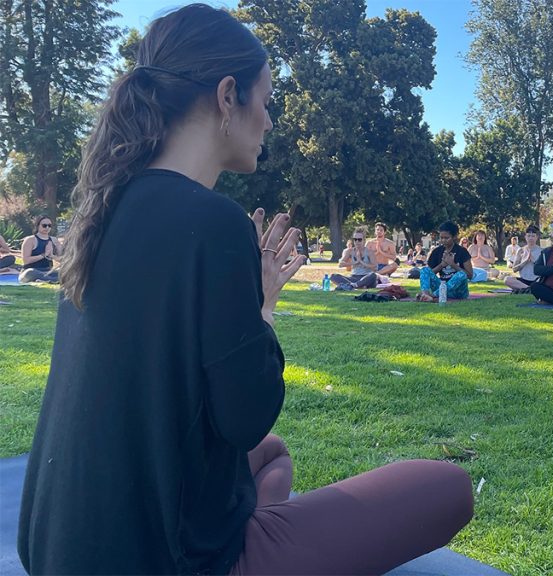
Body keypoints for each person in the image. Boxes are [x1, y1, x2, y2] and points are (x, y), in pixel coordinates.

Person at [17, 6, 472, 575]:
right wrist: (263, 308)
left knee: (274, 458)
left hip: (56, 547)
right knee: (447, 486)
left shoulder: (99, 212)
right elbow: (246, 416)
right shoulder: (215, 221)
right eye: (267, 101)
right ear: (227, 95)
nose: (272, 121)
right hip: (167, 560)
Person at [418, 221, 473, 302]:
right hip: (441, 285)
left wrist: (453, 264)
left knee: (461, 274)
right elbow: (429, 273)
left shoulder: (462, 251)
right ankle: (425, 295)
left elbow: (469, 275)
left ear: (454, 237)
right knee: (424, 270)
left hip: (458, 292)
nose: (443, 240)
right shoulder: (437, 251)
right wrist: (441, 265)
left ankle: (432, 296)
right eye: (441, 238)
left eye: (446, 238)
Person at [19, 215, 61, 283]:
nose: (47, 228)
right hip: (32, 271)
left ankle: (47, 280)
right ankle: (51, 280)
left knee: (65, 271)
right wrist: (44, 255)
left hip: (47, 271)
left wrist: (52, 256)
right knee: (30, 272)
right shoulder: (30, 240)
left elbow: (63, 260)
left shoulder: (54, 240)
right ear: (37, 225)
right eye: (44, 225)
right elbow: (26, 261)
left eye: (49, 225)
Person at [505, 225, 543, 292]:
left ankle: (527, 289)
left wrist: (534, 262)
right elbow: (514, 269)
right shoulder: (520, 250)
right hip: (523, 280)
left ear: (537, 237)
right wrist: (524, 262)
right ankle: (529, 289)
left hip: (537, 280)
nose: (531, 238)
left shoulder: (542, 251)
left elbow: (544, 270)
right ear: (525, 237)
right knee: (507, 279)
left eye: (533, 236)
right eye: (528, 236)